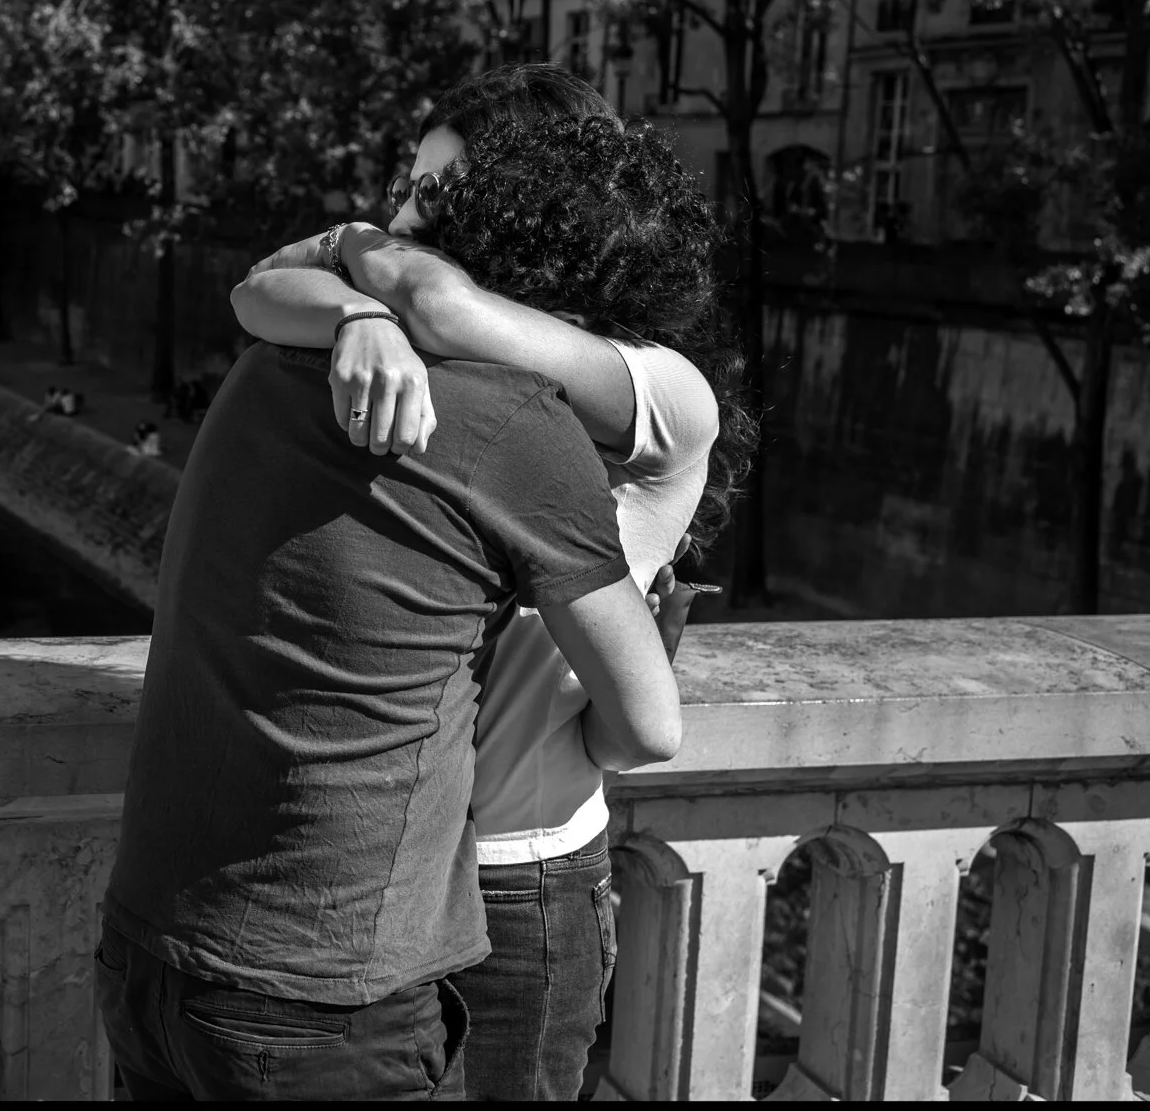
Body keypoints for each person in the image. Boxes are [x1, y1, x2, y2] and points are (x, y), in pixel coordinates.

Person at [98, 106, 686, 1099]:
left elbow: (283, 278)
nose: (390, 219)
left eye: (423, 196)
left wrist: (366, 300)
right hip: (330, 988)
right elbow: (648, 725)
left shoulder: (265, 367)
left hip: (155, 945)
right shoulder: (512, 426)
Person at [231, 62, 755, 1099]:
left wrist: (363, 265)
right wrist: (359, 310)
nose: (402, 220)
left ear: (537, 209)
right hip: (387, 884)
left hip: (520, 878)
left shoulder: (659, 386)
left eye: (437, 197)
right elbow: (251, 294)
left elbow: (644, 731)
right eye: (404, 190)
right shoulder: (447, 384)